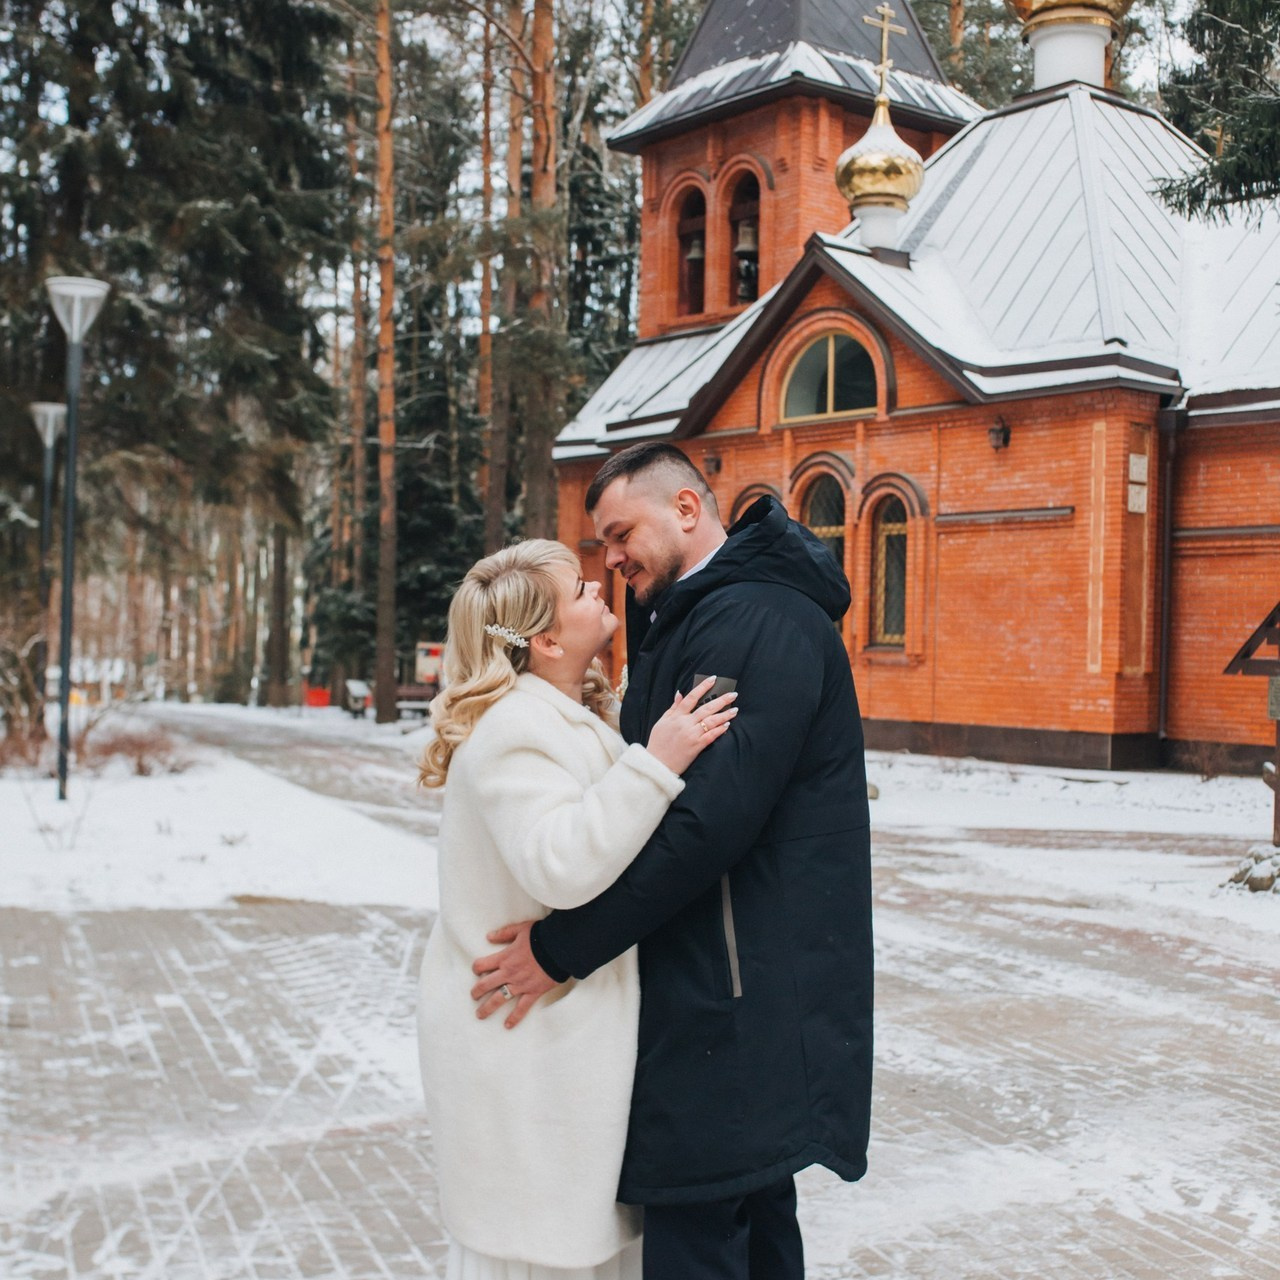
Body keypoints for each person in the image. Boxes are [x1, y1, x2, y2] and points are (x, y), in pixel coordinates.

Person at [471, 444, 873, 1280]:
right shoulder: (699, 618)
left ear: (687, 510)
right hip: (723, 991)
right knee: (750, 1225)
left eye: (621, 534)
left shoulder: (753, 624)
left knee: (707, 1232)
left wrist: (560, 950)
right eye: (603, 544)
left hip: (731, 1003)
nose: (611, 559)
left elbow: (702, 828)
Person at [416, 538, 739, 1280]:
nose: (599, 587)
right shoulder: (512, 730)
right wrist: (657, 763)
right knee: (533, 1258)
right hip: (522, 1043)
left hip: (550, 1035)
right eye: (579, 590)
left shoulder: (562, 717)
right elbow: (560, 864)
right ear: (548, 641)